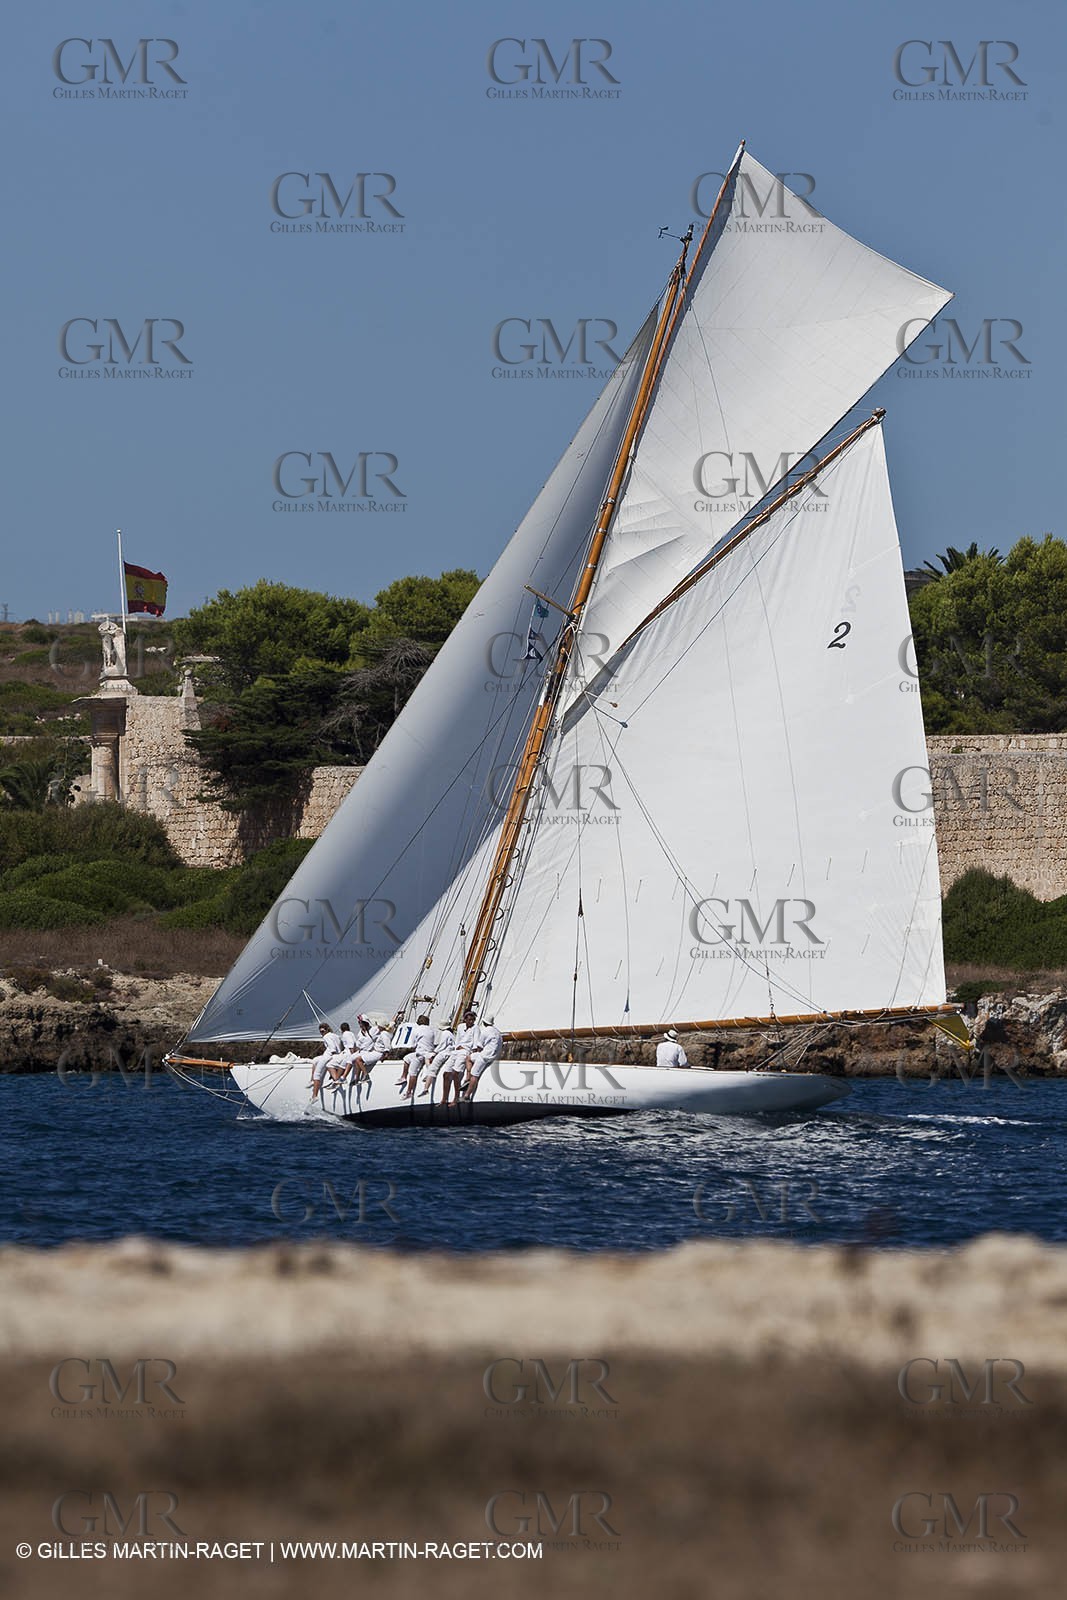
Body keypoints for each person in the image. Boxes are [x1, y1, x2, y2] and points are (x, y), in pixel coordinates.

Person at [441, 1010, 480, 1107]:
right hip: (456, 1051)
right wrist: (457, 1046)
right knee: (446, 1073)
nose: (471, 1021)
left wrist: (472, 1053)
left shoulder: (476, 1028)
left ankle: (456, 1098)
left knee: (455, 1073)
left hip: (465, 1051)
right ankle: (444, 1099)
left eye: (472, 1020)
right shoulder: (460, 1027)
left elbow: (475, 1043)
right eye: (469, 1019)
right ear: (465, 1019)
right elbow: (457, 1040)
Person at [463, 1014, 503, 1100]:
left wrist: (477, 1052)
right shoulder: (498, 1032)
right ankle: (468, 1079)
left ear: (484, 1022)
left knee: (474, 1073)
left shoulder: (485, 1031)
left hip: (485, 1056)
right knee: (470, 1058)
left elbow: (479, 1047)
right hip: (494, 1056)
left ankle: (467, 1094)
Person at [417, 1021, 456, 1100]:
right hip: (451, 1053)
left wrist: (435, 1052)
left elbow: (442, 1045)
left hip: (444, 1053)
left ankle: (426, 1088)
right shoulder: (451, 1034)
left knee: (432, 1069)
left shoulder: (445, 1033)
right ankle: (427, 1076)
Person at [400, 1015, 436, 1096]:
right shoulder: (431, 1030)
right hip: (429, 1054)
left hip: (420, 1054)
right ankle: (403, 1077)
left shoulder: (417, 1030)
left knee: (412, 1072)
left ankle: (409, 1092)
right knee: (407, 1058)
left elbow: (413, 1044)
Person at [309, 1022, 344, 1100]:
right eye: (320, 1032)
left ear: (326, 1030)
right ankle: (312, 1081)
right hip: (337, 1054)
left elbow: (332, 1048)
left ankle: (314, 1096)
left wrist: (333, 1055)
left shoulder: (326, 1036)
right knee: (314, 1060)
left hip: (329, 1055)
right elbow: (341, 1047)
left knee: (317, 1074)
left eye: (322, 1031)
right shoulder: (336, 1035)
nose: (321, 1033)